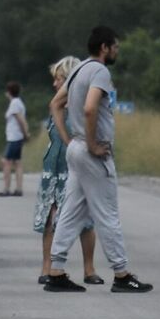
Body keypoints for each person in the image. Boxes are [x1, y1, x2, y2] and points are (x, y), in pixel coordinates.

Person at [45, 27, 153, 293]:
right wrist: (92, 143)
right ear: (104, 47)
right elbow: (91, 107)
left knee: (70, 211)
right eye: (115, 46)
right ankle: (122, 274)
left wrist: (70, 139)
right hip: (92, 152)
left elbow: (55, 104)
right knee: (107, 213)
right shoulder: (100, 72)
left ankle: (56, 270)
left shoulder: (78, 69)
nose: (117, 50)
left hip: (76, 149)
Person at [34, 57, 99, 286]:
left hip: (76, 168)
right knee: (50, 218)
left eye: (58, 79)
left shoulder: (84, 107)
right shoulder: (56, 106)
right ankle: (47, 266)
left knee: (85, 219)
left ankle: (89, 269)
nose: (54, 84)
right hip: (54, 168)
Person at [2, 82, 28, 196]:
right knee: (17, 163)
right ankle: (18, 188)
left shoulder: (15, 103)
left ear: (9, 92)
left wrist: (25, 133)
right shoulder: (17, 102)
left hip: (14, 137)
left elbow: (20, 120)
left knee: (7, 162)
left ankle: (6, 189)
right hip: (15, 136)